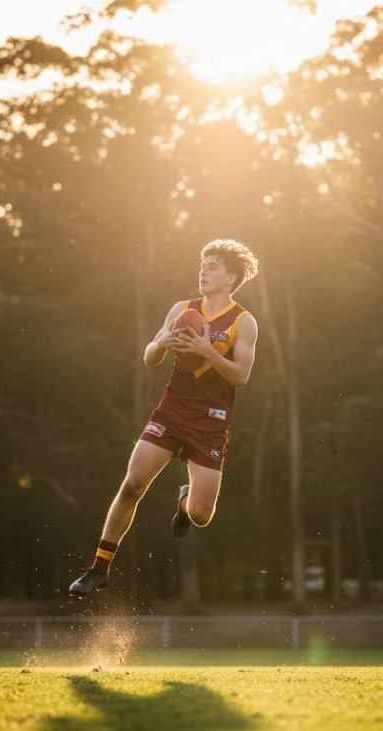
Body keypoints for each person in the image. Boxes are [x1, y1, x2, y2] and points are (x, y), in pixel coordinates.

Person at [68, 239, 260, 595]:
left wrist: (208, 352)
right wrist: (163, 343)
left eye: (213, 266)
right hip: (171, 412)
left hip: (211, 422)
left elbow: (241, 376)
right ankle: (98, 567)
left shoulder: (243, 322)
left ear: (231, 277)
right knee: (132, 484)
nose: (204, 270)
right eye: (203, 264)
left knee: (201, 515)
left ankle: (185, 501)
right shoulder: (182, 309)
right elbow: (149, 357)